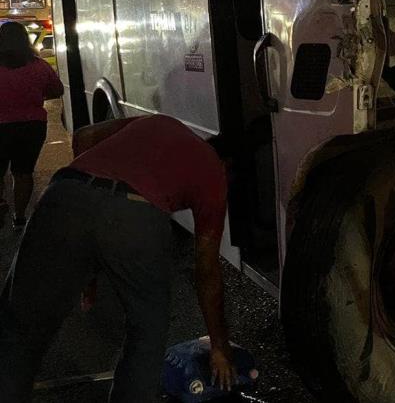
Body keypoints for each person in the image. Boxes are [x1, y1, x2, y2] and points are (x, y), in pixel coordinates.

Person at [0, 114, 235, 402]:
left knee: (19, 327)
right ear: (228, 164)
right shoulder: (215, 172)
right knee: (146, 333)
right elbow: (207, 270)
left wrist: (90, 248)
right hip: (135, 216)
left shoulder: (162, 124)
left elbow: (84, 135)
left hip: (64, 196)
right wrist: (219, 347)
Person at [0, 20, 63, 228]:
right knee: (24, 172)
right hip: (31, 126)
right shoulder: (39, 66)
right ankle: (19, 218)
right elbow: (57, 90)